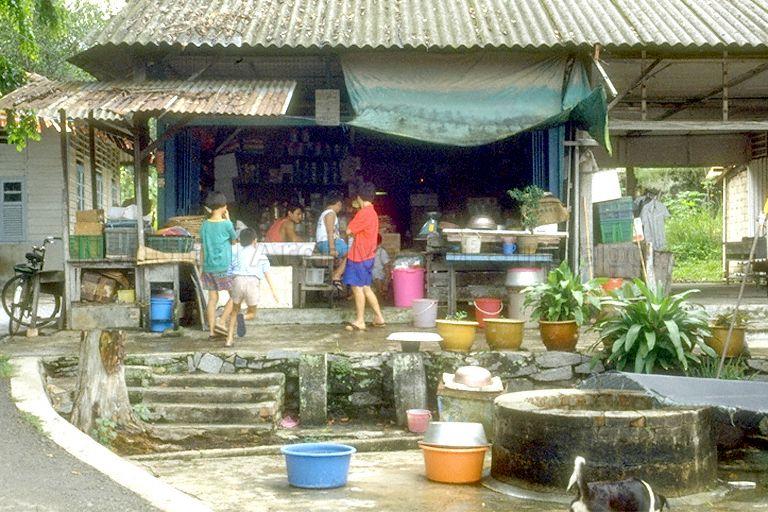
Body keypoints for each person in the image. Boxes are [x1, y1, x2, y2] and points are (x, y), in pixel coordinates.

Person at [343, 182, 385, 331]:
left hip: (359, 256)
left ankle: (360, 320)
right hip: (368, 255)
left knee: (357, 288)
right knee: (366, 287)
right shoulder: (373, 213)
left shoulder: (364, 213)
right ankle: (379, 317)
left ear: (359, 197)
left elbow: (348, 231)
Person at [226, 228, 279, 346]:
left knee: (234, 311)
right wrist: (274, 291)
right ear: (254, 240)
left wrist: (230, 288)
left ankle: (229, 340)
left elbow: (229, 273)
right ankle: (243, 318)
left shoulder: (235, 253)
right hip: (252, 282)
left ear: (241, 240)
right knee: (252, 313)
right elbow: (267, 274)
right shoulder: (260, 255)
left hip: (237, 280)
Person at [199, 191, 237, 340]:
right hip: (224, 267)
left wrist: (202, 267)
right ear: (223, 207)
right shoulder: (226, 224)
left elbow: (202, 247)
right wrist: (228, 219)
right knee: (235, 296)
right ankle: (221, 322)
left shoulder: (204, 225)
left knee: (212, 299)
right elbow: (234, 240)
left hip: (208, 267)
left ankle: (212, 332)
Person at [316, 191, 348, 289]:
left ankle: (337, 275)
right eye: (340, 206)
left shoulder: (325, 213)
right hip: (328, 243)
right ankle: (336, 275)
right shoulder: (331, 214)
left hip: (325, 243)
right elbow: (330, 232)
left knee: (346, 257)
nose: (340, 209)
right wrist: (332, 249)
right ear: (338, 204)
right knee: (353, 254)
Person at [372, 234, 391, 298]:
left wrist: (386, 284)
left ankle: (381, 292)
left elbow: (387, 268)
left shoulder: (382, 252)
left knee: (375, 272)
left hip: (380, 274)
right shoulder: (368, 252)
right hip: (370, 275)